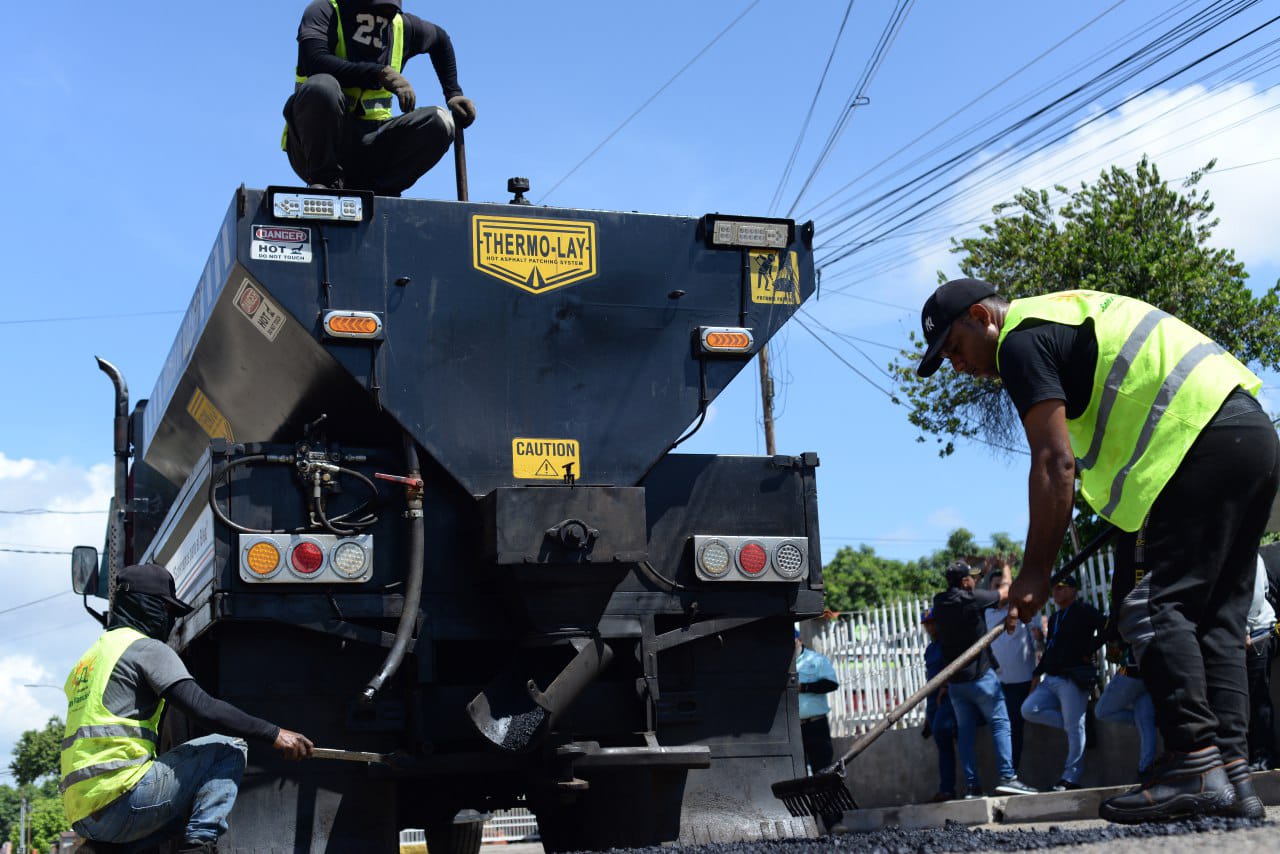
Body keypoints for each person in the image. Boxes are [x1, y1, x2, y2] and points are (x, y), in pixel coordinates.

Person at [915, 279, 1279, 822]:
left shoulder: (1020, 339)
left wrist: (1035, 572)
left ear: (981, 316)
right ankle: (1233, 777)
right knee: (1217, 621)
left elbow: (1053, 463)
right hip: (1250, 434)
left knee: (1152, 609)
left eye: (955, 348)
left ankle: (1195, 764)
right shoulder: (1065, 314)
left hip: (1197, 440)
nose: (957, 364)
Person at [61, 564, 314, 853]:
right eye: (165, 608)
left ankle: (100, 850)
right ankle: (200, 846)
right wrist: (274, 733)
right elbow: (202, 707)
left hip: (83, 813)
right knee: (227, 748)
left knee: (189, 802)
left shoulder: (90, 658)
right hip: (121, 800)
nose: (169, 619)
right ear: (145, 604)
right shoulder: (144, 648)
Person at [283, 0, 478, 196]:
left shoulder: (402, 26)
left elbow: (440, 40)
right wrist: (378, 74)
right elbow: (315, 61)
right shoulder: (324, 11)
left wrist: (453, 93)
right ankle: (326, 183)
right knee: (321, 87)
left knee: (440, 122)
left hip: (372, 147)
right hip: (317, 149)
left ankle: (381, 191)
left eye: (387, 12)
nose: (379, 20)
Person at [931, 560, 1037, 797]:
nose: (973, 580)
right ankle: (1008, 777)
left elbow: (971, 590)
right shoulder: (972, 599)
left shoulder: (939, 602)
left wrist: (980, 574)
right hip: (981, 679)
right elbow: (1006, 591)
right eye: (971, 578)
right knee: (1000, 724)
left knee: (966, 734)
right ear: (964, 581)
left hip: (956, 683)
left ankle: (972, 787)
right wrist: (1006, 568)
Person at [1019, 575, 1104, 791]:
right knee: (1029, 709)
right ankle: (1077, 725)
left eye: (1062, 588)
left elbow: (1107, 626)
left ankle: (1071, 778)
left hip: (1073, 678)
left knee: (1075, 728)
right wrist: (1037, 674)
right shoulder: (1056, 617)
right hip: (1053, 677)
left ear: (1073, 590)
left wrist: (1090, 648)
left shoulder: (1083, 610)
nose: (1056, 592)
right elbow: (1051, 650)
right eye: (1055, 588)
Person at [980, 559, 1037, 774]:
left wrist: (1036, 679)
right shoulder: (985, 614)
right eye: (996, 588)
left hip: (1022, 681)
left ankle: (1012, 773)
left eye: (1003, 587)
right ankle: (1007, 774)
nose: (1001, 591)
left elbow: (1038, 644)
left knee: (1015, 728)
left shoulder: (1024, 610)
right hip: (996, 683)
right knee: (1001, 729)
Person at [794, 629, 846, 835]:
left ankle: (833, 822)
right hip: (793, 728)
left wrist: (804, 688)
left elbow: (830, 683)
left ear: (799, 639)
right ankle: (806, 825)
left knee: (823, 773)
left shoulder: (815, 661)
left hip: (815, 724)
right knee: (798, 777)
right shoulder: (781, 664)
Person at [1095, 639, 1158, 781]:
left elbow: (1114, 648)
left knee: (1102, 711)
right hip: (1148, 672)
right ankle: (1145, 769)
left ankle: (1145, 769)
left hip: (1131, 671)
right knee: (1146, 722)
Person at [920, 608, 959, 801]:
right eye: (927, 623)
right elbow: (930, 679)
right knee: (943, 744)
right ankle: (947, 789)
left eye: (933, 622)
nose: (930, 626)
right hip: (934, 700)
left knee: (950, 736)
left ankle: (963, 786)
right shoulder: (930, 649)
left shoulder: (948, 643)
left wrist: (946, 686)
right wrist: (929, 712)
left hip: (949, 697)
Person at [1245, 553, 1278, 772]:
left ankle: (1263, 756)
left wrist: (1243, 630)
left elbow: (1256, 596)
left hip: (1258, 634)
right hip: (1244, 634)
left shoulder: (1248, 554)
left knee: (1258, 698)